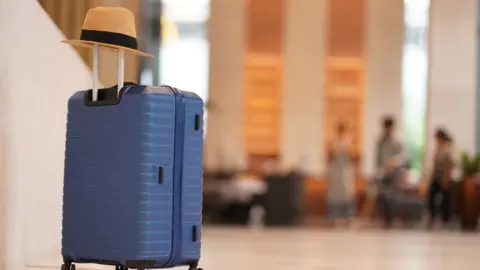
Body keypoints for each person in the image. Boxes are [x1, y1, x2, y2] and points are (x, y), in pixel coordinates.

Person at [361, 116, 403, 224]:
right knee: (382, 196)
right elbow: (377, 160)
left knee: (393, 198)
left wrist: (393, 164)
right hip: (382, 174)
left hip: (393, 175)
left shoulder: (397, 143)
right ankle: (385, 218)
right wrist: (377, 172)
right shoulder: (380, 142)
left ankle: (392, 219)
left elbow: (401, 158)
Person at [326, 123, 355, 227]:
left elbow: (350, 155)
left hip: (345, 170)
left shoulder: (348, 141)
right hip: (336, 170)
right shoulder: (334, 141)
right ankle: (334, 218)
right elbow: (330, 156)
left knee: (346, 193)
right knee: (335, 194)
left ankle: (348, 218)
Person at [427, 128, 454, 229]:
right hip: (436, 177)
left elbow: (450, 164)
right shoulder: (438, 148)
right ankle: (432, 217)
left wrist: (446, 178)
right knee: (432, 197)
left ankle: (445, 219)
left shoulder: (448, 148)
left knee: (445, 199)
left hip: (444, 177)